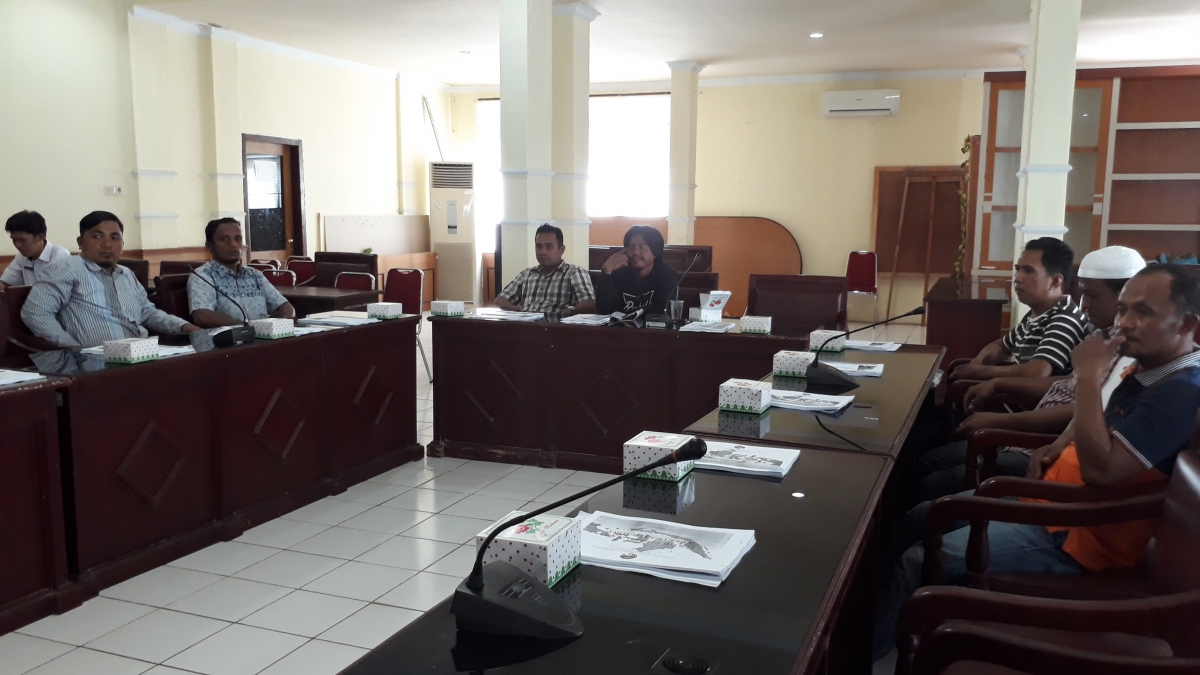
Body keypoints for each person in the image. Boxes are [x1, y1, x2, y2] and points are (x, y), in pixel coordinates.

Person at [875, 263, 1200, 661]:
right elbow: (1098, 423)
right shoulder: (1150, 368)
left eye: (1143, 312)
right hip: (1052, 501)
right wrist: (1060, 444)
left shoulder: (1179, 393)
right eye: (1122, 309)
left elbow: (1101, 471)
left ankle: (856, 655)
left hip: (1075, 533)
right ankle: (860, 610)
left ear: (1187, 324)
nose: (1124, 323)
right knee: (921, 515)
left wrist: (1087, 377)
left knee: (917, 560)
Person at [914, 246, 1147, 503]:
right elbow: (1071, 386)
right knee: (923, 444)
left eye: (1092, 296)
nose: (1084, 306)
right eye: (1018, 270)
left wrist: (1001, 416)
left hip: (1032, 436)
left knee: (928, 474)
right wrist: (988, 376)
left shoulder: (1124, 347)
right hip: (1033, 434)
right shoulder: (1101, 335)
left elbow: (1076, 401)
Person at [22, 211, 201, 348]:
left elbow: (147, 313)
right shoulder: (66, 269)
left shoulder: (127, 274)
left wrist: (186, 327)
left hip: (142, 354)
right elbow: (36, 313)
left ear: (122, 244)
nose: (107, 244)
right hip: (93, 362)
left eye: (115, 238)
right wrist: (73, 349)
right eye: (97, 236)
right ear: (80, 242)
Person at [950, 237, 1089, 382]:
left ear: (1055, 281)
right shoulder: (1037, 313)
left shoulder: (1065, 319)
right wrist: (976, 364)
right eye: (1018, 269)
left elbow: (1037, 372)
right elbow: (1000, 346)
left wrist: (980, 372)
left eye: (1028, 271)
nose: (1017, 278)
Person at [188, 218, 295, 327]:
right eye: (224, 239)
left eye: (238, 239)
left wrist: (279, 327)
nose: (233, 244)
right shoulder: (203, 276)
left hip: (265, 335)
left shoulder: (255, 275)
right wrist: (248, 329)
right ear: (210, 246)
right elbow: (202, 316)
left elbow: (285, 307)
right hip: (230, 336)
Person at [494, 223, 595, 316]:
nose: (542, 252)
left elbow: (589, 303)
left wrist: (570, 311)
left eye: (549, 247)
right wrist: (514, 308)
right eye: (539, 247)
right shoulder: (527, 274)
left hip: (556, 326)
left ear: (561, 250)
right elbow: (500, 299)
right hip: (526, 325)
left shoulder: (574, 273)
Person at [595, 225, 680, 315]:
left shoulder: (667, 274)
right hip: (620, 324)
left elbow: (662, 309)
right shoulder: (617, 272)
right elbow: (604, 310)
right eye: (631, 247)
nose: (635, 252)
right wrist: (607, 271)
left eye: (641, 247)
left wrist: (626, 314)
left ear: (655, 252)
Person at [0, 210, 70, 289]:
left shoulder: (60, 256)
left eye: (22, 240)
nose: (17, 245)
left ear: (40, 237)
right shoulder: (21, 257)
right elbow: (5, 284)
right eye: (14, 240)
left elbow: (54, 290)